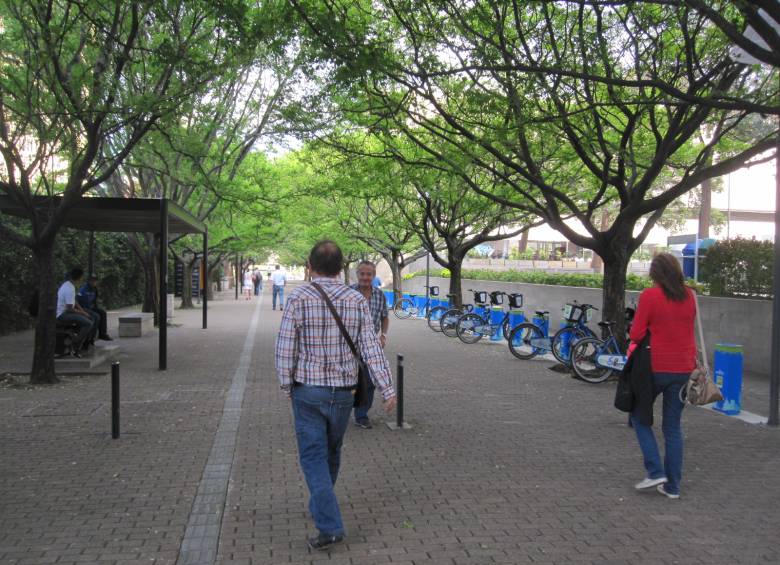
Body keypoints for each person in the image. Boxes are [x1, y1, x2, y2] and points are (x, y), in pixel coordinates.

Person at [275, 241, 396, 551]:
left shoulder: (298, 297)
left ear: (310, 266)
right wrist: (387, 388)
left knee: (313, 456)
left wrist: (286, 385)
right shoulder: (356, 299)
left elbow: (286, 347)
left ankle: (329, 525)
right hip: (344, 392)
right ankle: (321, 504)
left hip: (308, 390)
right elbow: (370, 347)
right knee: (331, 451)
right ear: (342, 267)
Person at [628, 252, 696, 500]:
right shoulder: (690, 296)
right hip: (683, 368)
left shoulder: (650, 296)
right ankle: (673, 487)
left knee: (639, 417)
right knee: (672, 427)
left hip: (655, 367)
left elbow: (636, 334)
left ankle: (655, 470)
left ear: (654, 273)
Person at [350, 260, 389, 429]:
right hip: (348, 346)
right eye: (362, 274)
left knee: (370, 382)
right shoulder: (348, 293)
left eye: (369, 274)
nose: (365, 278)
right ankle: (341, 411)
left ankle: (361, 415)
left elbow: (385, 317)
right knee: (347, 381)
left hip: (371, 347)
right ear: (357, 274)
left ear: (374, 276)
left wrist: (383, 335)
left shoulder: (379, 295)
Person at [56, 268, 95, 357]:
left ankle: (80, 340)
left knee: (91, 317)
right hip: (62, 314)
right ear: (79, 278)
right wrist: (83, 313)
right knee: (88, 323)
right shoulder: (70, 289)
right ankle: (76, 346)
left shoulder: (68, 284)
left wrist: (82, 310)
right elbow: (70, 309)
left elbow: (74, 301)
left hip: (66, 311)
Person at [77, 274, 113, 341]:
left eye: (95, 281)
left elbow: (94, 300)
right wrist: (82, 311)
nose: (94, 282)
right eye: (92, 281)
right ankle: (91, 337)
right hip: (83, 308)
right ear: (88, 281)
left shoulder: (94, 289)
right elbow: (77, 301)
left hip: (91, 307)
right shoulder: (83, 290)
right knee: (96, 316)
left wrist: (95, 307)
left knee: (102, 313)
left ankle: (102, 334)